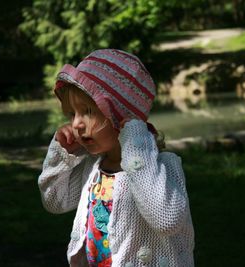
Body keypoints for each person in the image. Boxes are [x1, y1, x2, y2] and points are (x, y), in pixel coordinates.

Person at [38, 49, 194, 267]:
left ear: (121, 116)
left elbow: (166, 219)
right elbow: (54, 200)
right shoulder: (92, 166)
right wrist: (62, 154)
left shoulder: (163, 168)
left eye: (88, 112)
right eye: (72, 114)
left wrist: (136, 142)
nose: (76, 124)